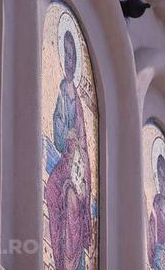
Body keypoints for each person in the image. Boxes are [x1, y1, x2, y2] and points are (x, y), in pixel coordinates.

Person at [45, 30, 93, 270]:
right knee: (52, 188)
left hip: (78, 166)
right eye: (67, 56)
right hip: (66, 159)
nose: (70, 62)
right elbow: (57, 126)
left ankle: (72, 263)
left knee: (73, 200)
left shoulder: (79, 103)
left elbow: (84, 142)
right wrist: (67, 135)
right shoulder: (63, 90)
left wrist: (78, 146)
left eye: (73, 57)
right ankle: (61, 259)